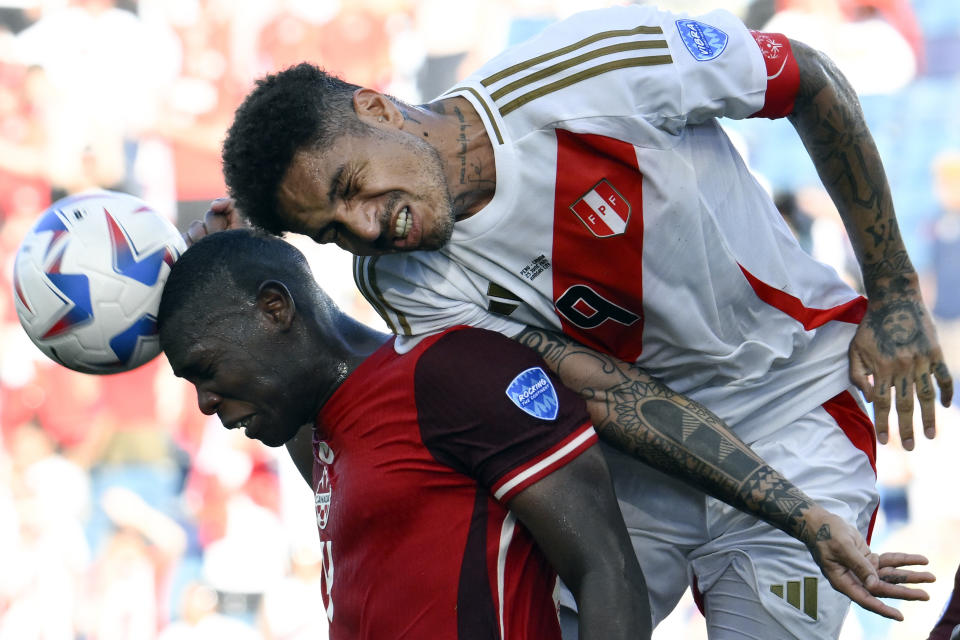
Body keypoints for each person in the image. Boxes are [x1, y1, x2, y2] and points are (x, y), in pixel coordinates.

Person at [201, 5, 950, 638]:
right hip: (632, 468)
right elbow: (606, 393)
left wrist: (893, 292)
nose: (366, 227)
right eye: (332, 230)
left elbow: (808, 79)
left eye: (350, 186)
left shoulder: (597, 67)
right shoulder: (397, 279)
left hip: (792, 408)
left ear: (376, 107)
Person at [157, 228, 653, 639]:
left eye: (207, 368)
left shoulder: (454, 372)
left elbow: (608, 572)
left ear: (273, 308)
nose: (204, 402)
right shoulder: (327, 432)